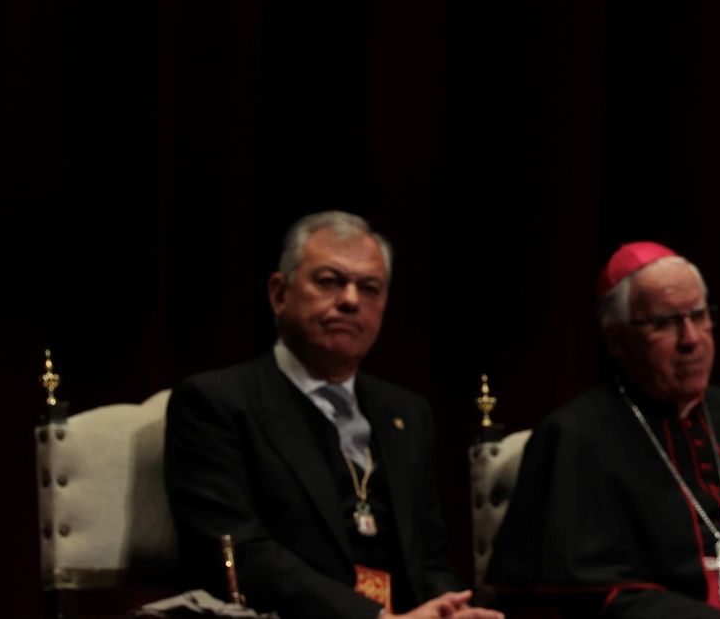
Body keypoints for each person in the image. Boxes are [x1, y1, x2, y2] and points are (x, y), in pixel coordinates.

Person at [165, 211, 503, 619]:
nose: (350, 300)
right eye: (329, 281)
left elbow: (429, 553)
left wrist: (450, 608)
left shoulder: (408, 413)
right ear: (279, 293)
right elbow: (243, 553)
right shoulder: (217, 403)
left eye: (370, 288)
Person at [483, 242, 720, 619]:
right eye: (664, 323)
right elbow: (573, 591)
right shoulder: (575, 436)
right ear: (616, 339)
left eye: (698, 315)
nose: (691, 339)